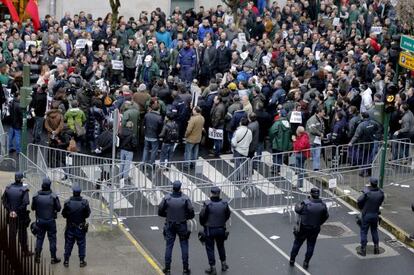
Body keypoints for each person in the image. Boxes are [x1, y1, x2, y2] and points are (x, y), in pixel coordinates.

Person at [158, 181, 195, 275]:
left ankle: (167, 268)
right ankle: (185, 269)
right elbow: (191, 211)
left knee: (169, 246)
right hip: (182, 224)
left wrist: (167, 215)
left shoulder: (167, 198)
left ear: (172, 188)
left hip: (170, 224)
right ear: (180, 188)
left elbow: (160, 211)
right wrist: (186, 217)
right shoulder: (185, 199)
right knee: (184, 245)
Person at [289, 188, 329, 269]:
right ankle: (306, 262)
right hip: (315, 228)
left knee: (297, 244)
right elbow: (326, 216)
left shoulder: (306, 204)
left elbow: (297, 209)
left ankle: (292, 260)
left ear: (311, 194)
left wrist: (299, 203)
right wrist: (319, 223)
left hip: (303, 228)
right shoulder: (323, 205)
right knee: (311, 246)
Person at [199, 186, 231, 274]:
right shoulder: (224, 203)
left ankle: (213, 268)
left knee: (210, 248)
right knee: (221, 246)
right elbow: (228, 214)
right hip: (221, 228)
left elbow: (202, 216)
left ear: (211, 194)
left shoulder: (208, 204)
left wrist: (203, 224)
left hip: (210, 229)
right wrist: (222, 221)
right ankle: (223, 264)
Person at [31, 177, 62, 264]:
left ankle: (37, 256)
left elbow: (33, 208)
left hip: (40, 221)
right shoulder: (53, 196)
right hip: (50, 221)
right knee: (52, 239)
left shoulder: (36, 196)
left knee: (39, 238)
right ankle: (53, 258)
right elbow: (59, 208)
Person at [1, 172, 32, 255]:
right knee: (22, 234)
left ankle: (11, 251)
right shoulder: (24, 189)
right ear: (22, 179)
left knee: (12, 234)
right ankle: (24, 251)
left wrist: (11, 210)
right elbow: (26, 202)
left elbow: (3, 200)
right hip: (21, 216)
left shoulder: (8, 188)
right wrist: (17, 211)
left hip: (11, 215)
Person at [62, 185, 91, 267]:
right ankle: (82, 261)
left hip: (70, 226)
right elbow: (87, 214)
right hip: (80, 227)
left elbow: (64, 215)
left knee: (69, 244)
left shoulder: (67, 203)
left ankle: (66, 261)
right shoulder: (84, 203)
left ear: (73, 192)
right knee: (81, 244)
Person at [357, 177, 385, 256]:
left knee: (364, 232)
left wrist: (362, 207)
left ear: (370, 183)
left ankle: (363, 249)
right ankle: (376, 248)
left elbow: (359, 201)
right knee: (374, 231)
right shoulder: (380, 193)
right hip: (375, 214)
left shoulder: (367, 193)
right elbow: (380, 201)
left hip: (366, 215)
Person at [306, 106, 325, 171]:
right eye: (323, 112)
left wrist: (322, 133)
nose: (324, 113)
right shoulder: (312, 119)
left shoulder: (321, 119)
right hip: (312, 139)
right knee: (312, 154)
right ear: (319, 112)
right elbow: (312, 129)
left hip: (317, 140)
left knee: (317, 154)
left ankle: (316, 168)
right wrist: (320, 133)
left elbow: (322, 127)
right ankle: (308, 167)